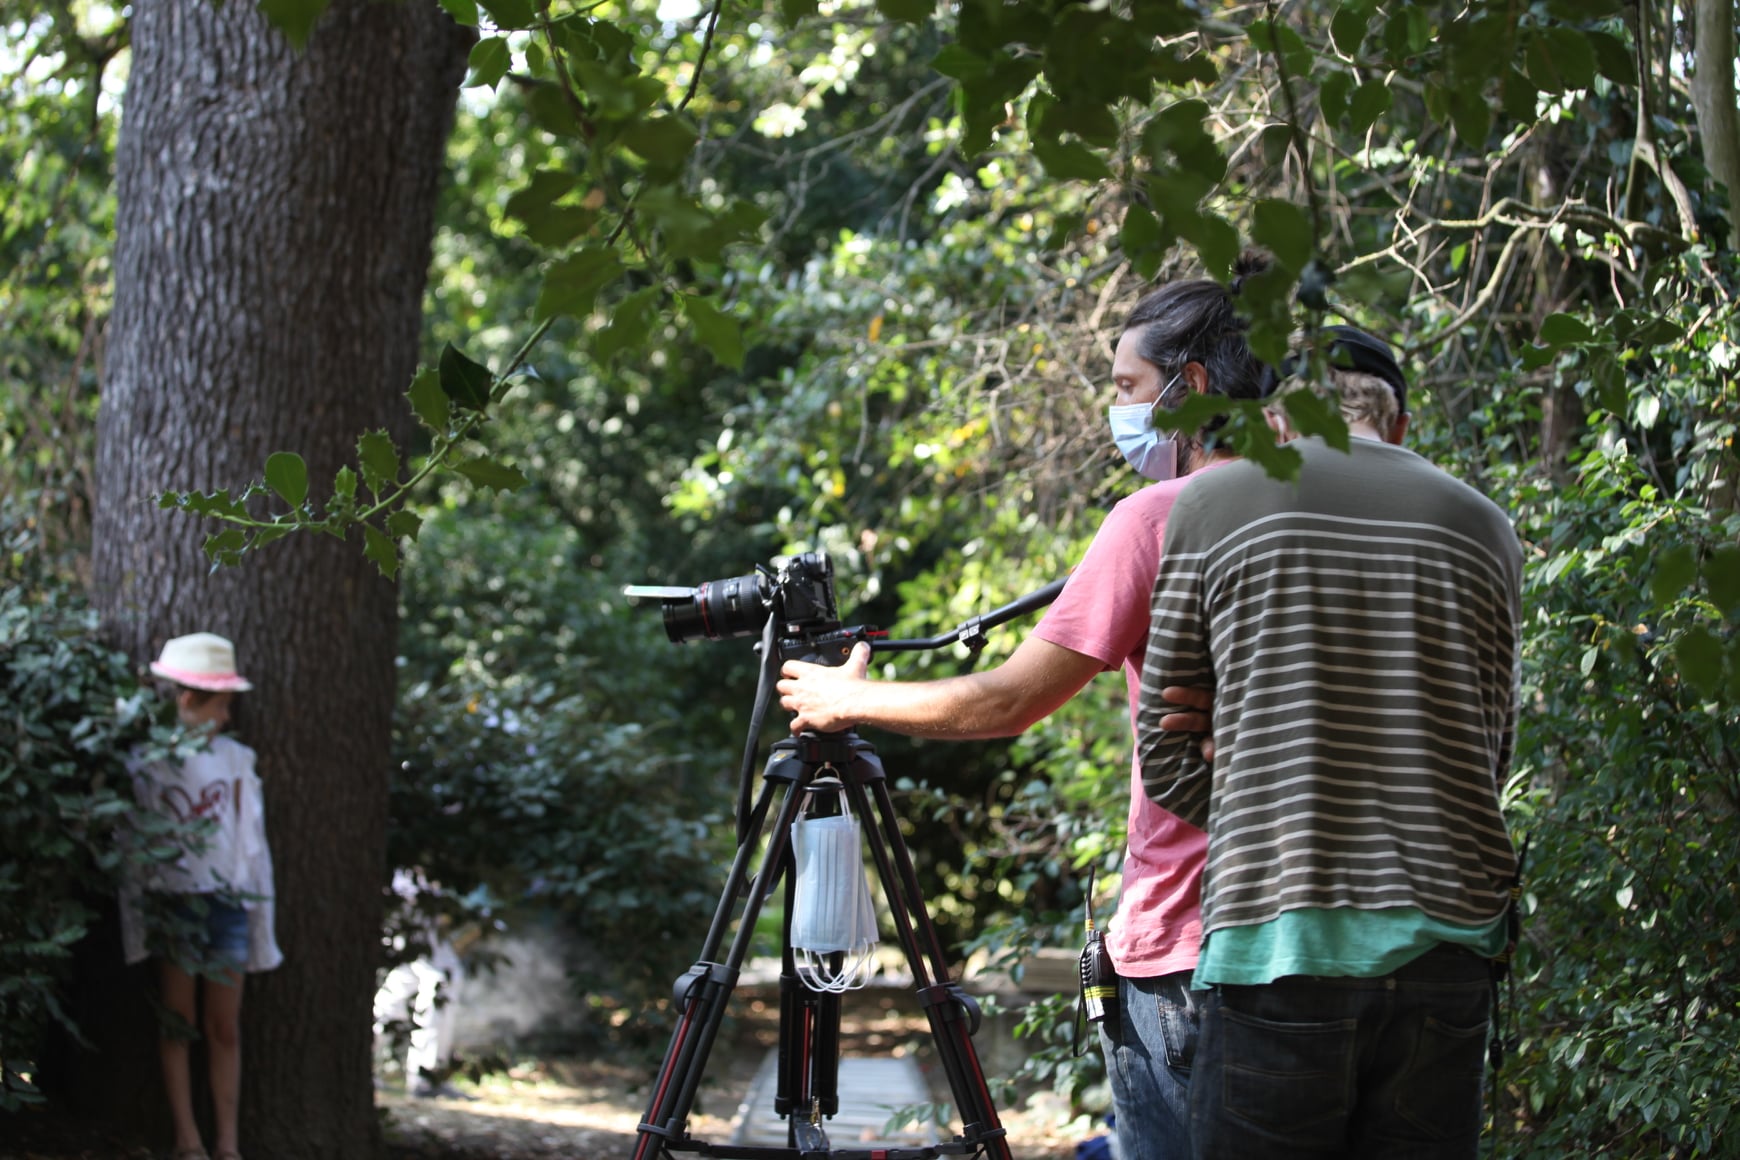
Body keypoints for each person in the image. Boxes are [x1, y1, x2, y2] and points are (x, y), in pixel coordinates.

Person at [776, 255, 1273, 1160]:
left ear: (1192, 388)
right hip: (1327, 944)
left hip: (1190, 946)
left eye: (1128, 387)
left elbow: (1009, 701)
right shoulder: (1324, 514)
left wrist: (850, 699)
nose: (1115, 411)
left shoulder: (1157, 518)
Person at [1135, 330, 1521, 1159]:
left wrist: (1262, 792)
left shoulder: (1216, 501)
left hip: (1281, 941)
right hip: (1450, 948)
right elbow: (1490, 760)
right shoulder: (1487, 525)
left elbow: (1162, 751)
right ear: (1400, 424)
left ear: (1276, 420)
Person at [120, 632, 282, 1160]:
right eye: (221, 706)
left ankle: (228, 1144)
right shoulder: (146, 762)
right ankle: (187, 1139)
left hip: (227, 904)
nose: (228, 718)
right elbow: (134, 849)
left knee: (224, 1026)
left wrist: (258, 922)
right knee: (178, 1022)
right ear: (189, 699)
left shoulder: (235, 760)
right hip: (174, 904)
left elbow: (251, 844)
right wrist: (138, 927)